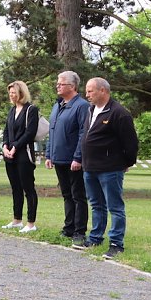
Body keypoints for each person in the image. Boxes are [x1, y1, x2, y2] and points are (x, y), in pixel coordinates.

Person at [80, 77, 139, 259]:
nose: (87, 94)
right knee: (96, 204)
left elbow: (131, 143)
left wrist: (126, 163)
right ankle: (96, 237)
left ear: (103, 91)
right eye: (87, 91)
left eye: (90, 91)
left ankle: (116, 243)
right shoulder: (91, 110)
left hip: (110, 168)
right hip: (90, 167)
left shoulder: (119, 113)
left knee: (115, 206)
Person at [44, 71, 89, 247]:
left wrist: (78, 157)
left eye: (61, 84)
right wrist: (49, 154)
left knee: (78, 195)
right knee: (66, 195)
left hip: (73, 161)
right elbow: (52, 132)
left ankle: (79, 231)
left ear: (72, 86)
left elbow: (82, 134)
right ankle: (68, 227)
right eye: (57, 83)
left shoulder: (81, 106)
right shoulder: (58, 105)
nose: (58, 86)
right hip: (59, 159)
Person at [1, 80, 40, 233]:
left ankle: (31, 223)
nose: (11, 96)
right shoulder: (12, 110)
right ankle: (17, 219)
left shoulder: (31, 110)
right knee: (15, 188)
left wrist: (16, 146)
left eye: (14, 93)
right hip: (10, 155)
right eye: (9, 93)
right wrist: (5, 145)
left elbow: (29, 133)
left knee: (28, 188)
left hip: (24, 154)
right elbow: (6, 130)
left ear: (21, 93)